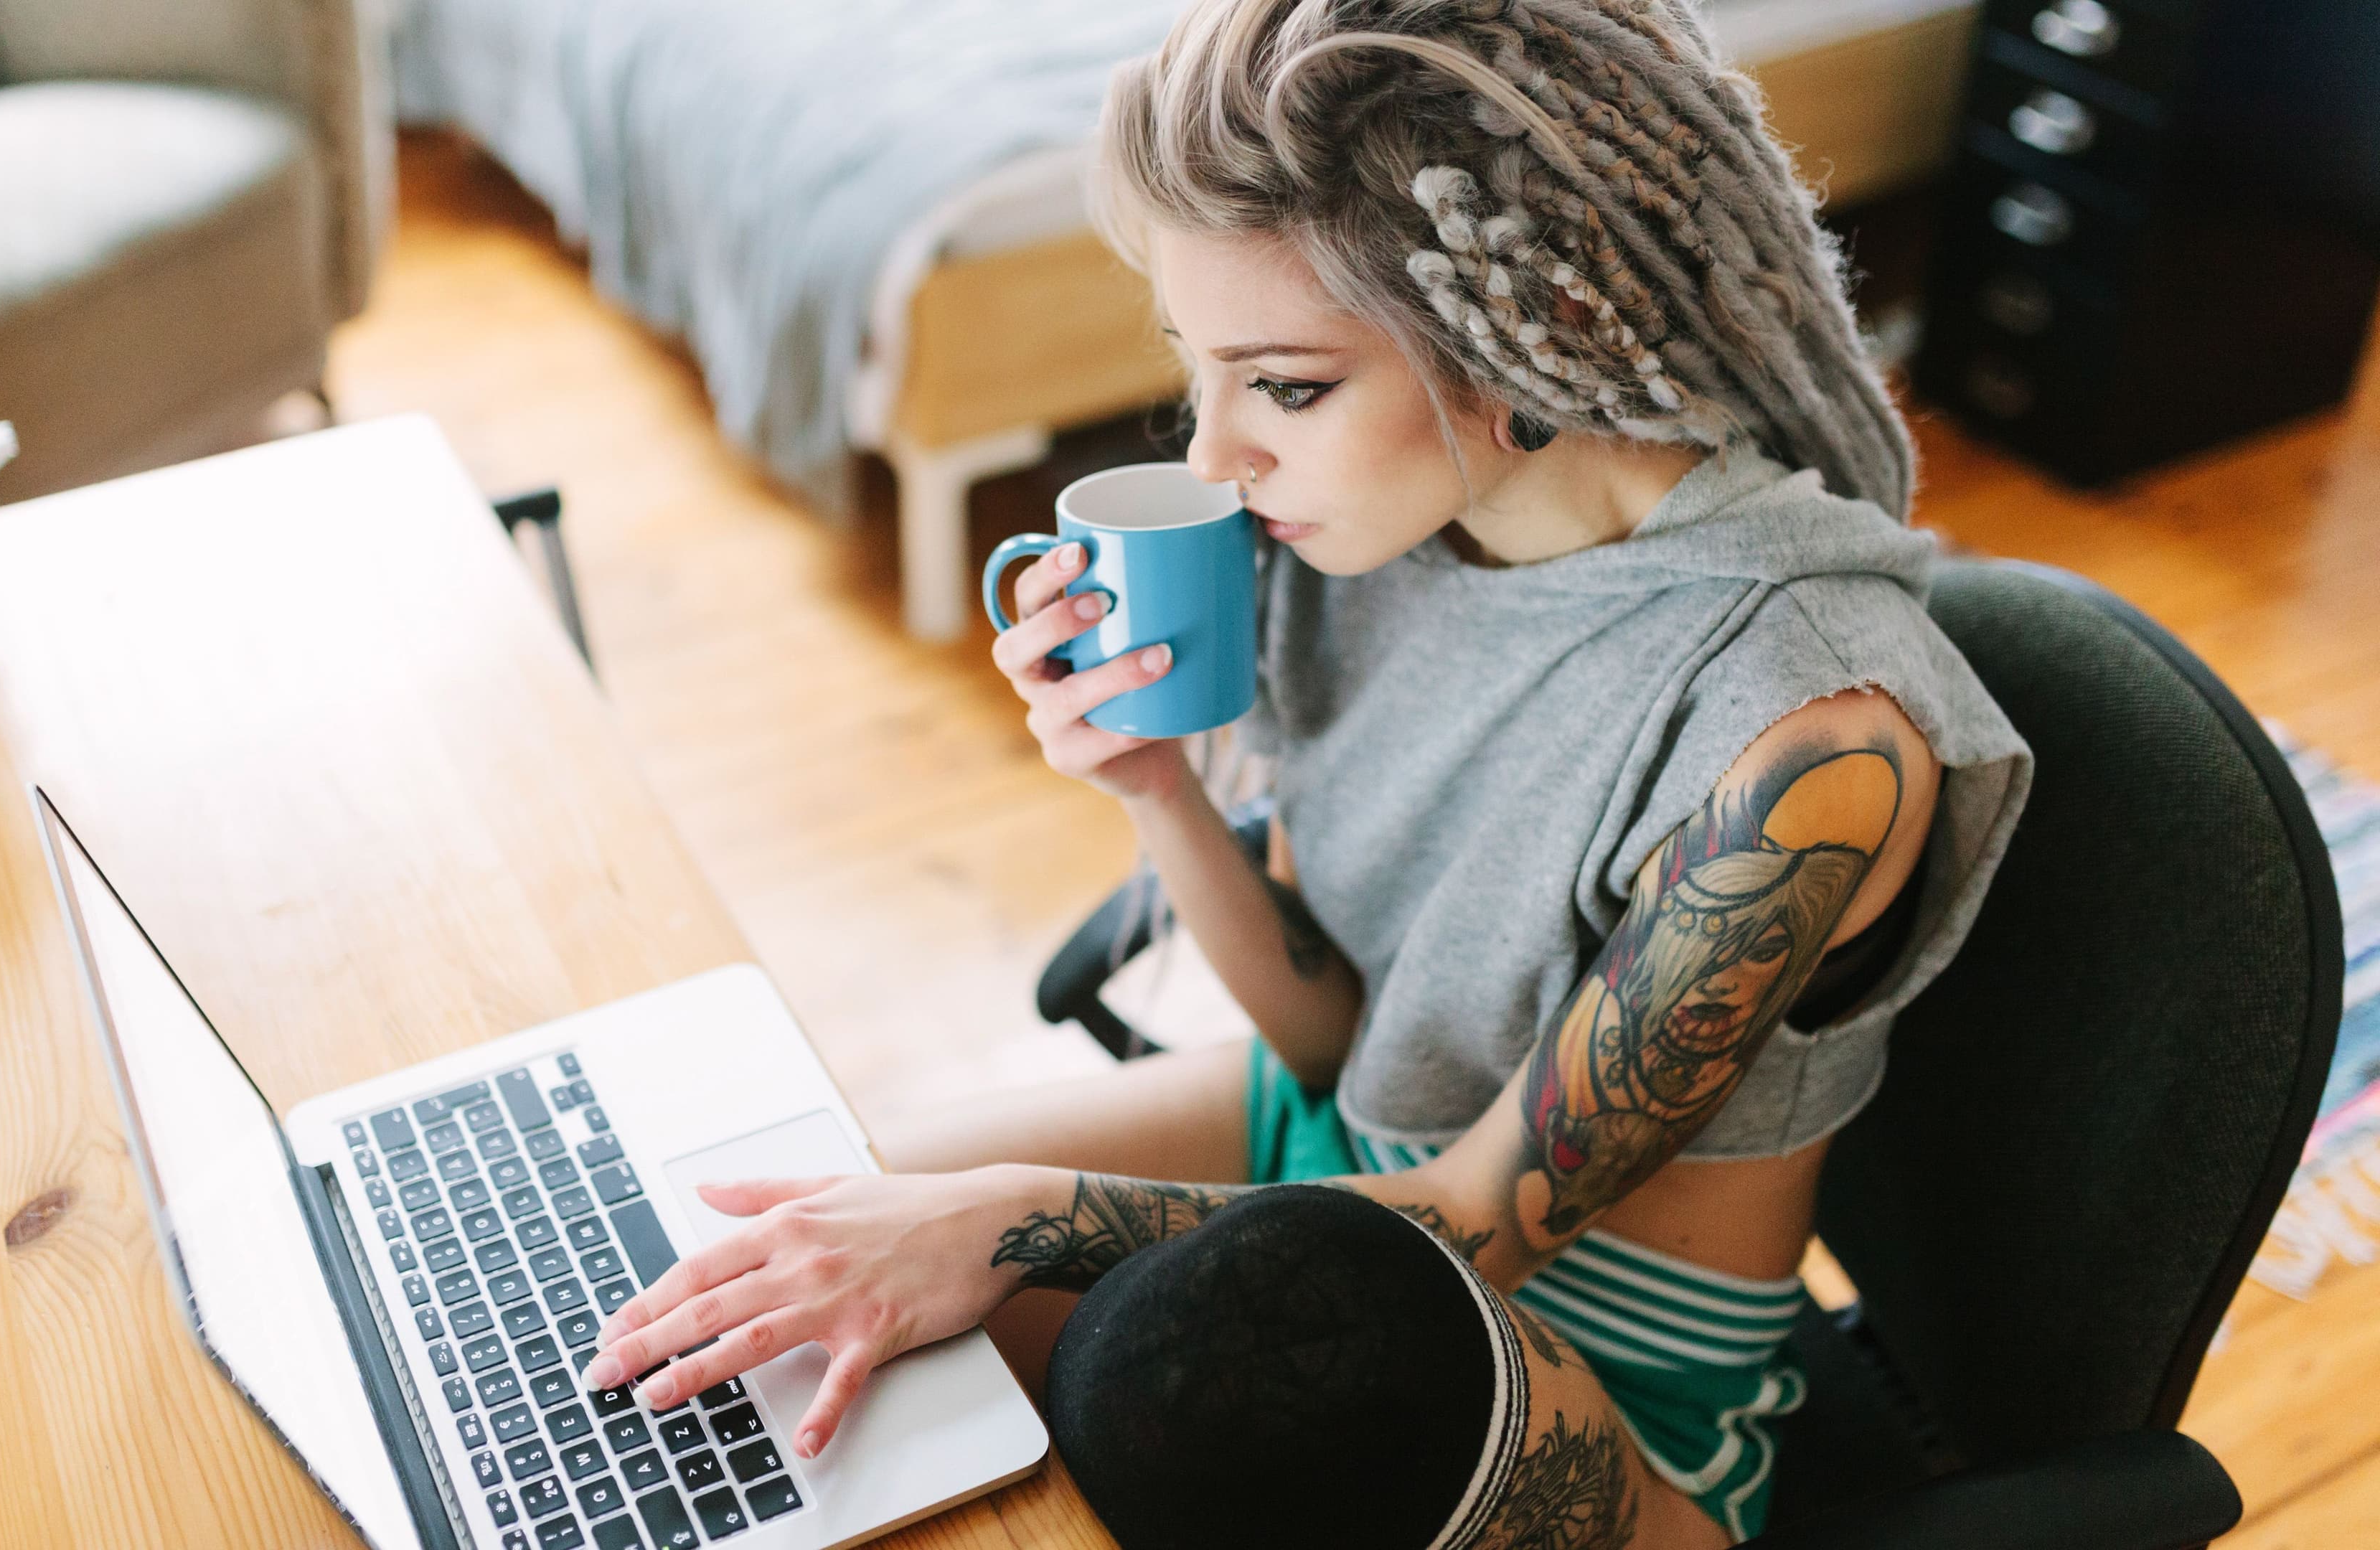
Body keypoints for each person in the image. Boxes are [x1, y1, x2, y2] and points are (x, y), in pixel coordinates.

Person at [582, 1, 2033, 1544]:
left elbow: (1477, 1224)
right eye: (1197, 372)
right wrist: (1155, 785)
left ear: (1541, 337)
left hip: (1559, 1378)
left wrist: (1010, 1221)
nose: (1213, 458)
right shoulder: (1382, 537)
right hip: (1325, 1175)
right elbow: (1336, 1039)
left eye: (1283, 387)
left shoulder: (1809, 743)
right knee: (777, 1286)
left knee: (1075, 1343)